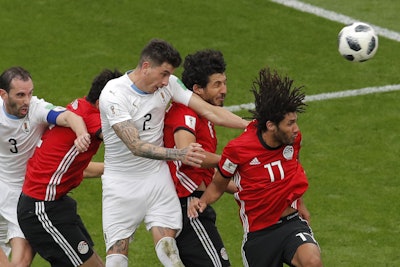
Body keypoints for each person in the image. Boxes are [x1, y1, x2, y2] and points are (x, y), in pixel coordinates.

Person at [99, 39, 248, 267]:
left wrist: (252, 125)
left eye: (170, 75)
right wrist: (180, 154)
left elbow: (210, 111)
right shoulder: (113, 94)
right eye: (164, 74)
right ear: (146, 67)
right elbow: (135, 146)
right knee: (117, 257)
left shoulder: (169, 84)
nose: (167, 82)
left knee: (169, 249)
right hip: (121, 183)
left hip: (156, 176)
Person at [188, 67, 323, 267]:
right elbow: (218, 184)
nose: (296, 129)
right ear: (270, 125)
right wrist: (203, 202)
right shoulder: (238, 149)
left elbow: (292, 172)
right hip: (259, 235)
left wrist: (300, 203)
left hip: (291, 224)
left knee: (312, 261)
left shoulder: (292, 139)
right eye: (290, 123)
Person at [16, 69, 122, 267]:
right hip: (42, 209)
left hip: (53, 205)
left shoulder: (81, 105)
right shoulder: (94, 119)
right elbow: (128, 144)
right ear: (101, 103)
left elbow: (75, 168)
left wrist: (115, 169)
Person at [0, 66, 91, 267]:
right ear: (3, 95)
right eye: (20, 95)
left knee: (21, 263)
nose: (27, 100)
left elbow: (69, 117)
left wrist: (82, 133)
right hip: (3, 188)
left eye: (30, 93)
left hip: (22, 196)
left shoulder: (36, 109)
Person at [164, 49, 237, 267]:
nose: (224, 90)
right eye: (216, 85)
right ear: (197, 90)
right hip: (188, 207)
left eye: (224, 82)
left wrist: (246, 187)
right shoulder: (185, 113)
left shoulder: (204, 116)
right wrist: (229, 160)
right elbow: (188, 154)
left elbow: (209, 174)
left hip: (195, 204)